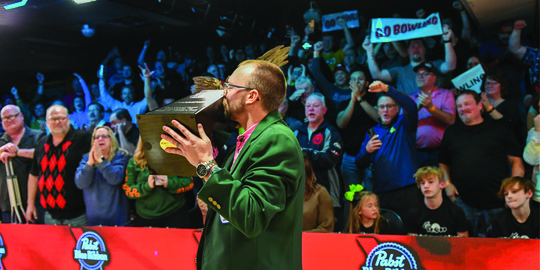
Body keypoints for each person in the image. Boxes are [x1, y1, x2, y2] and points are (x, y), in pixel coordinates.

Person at [162, 57, 304, 269]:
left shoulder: (277, 139)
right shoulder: (245, 138)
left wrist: (206, 164)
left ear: (252, 96)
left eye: (229, 86)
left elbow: (251, 215)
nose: (223, 92)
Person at [439, 90, 525, 236]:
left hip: (497, 203)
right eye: (459, 106)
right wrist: (447, 184)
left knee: (497, 249)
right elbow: (443, 163)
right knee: (466, 250)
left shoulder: (499, 129)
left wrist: (512, 192)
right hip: (463, 202)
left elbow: (516, 162)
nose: (463, 108)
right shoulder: (451, 132)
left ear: (480, 106)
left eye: (467, 104)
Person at [355, 81, 421, 220]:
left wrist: (387, 89)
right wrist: (367, 151)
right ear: (377, 109)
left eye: (389, 106)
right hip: (382, 191)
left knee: (410, 232)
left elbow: (410, 105)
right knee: (387, 233)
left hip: (406, 188)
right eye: (382, 107)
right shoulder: (372, 132)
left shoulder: (404, 124)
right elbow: (359, 163)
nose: (385, 110)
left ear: (397, 109)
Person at [25, 105, 91, 225]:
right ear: (47, 122)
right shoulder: (41, 143)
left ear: (68, 119)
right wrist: (30, 204)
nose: (58, 122)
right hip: (49, 216)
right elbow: (34, 175)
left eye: (61, 118)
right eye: (53, 119)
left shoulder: (84, 138)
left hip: (79, 215)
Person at [294, 93, 343, 230]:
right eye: (308, 106)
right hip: (303, 195)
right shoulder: (297, 132)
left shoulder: (332, 132)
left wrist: (304, 153)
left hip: (328, 189)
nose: (311, 109)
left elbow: (329, 160)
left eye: (315, 106)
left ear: (324, 110)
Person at [123, 139, 194, 228]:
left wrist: (169, 183)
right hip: (145, 217)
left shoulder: (177, 157)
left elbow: (189, 183)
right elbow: (128, 190)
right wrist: (147, 186)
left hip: (175, 213)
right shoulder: (134, 162)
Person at [363, 29, 457, 95]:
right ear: (407, 51)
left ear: (425, 49)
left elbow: (450, 66)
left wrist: (447, 40)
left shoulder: (435, 64)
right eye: (413, 46)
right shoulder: (399, 71)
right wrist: (369, 50)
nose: (416, 48)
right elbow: (377, 74)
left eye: (419, 46)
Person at [74, 126, 131, 226]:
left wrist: (101, 161)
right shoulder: (86, 158)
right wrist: (90, 164)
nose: (100, 139)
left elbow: (115, 179)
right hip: (94, 221)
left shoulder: (120, 156)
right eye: (97, 137)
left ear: (111, 139)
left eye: (104, 136)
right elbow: (80, 183)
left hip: (118, 221)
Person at [0, 105, 44, 223]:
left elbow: (44, 154)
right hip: (8, 204)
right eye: (5, 118)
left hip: (36, 201)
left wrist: (17, 152)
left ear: (21, 116)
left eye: (12, 116)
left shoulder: (38, 136)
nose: (8, 120)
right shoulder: (1, 141)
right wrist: (2, 150)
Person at [336, 69, 378, 190]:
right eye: (353, 80)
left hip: (371, 156)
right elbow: (341, 123)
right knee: (352, 197)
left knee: (372, 195)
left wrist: (360, 99)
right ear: (350, 84)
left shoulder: (374, 100)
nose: (356, 82)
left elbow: (377, 118)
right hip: (350, 156)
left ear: (366, 83)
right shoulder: (344, 104)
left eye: (360, 79)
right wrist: (353, 100)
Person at [409, 62, 456, 167]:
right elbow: (402, 123)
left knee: (440, 182)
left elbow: (451, 120)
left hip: (440, 151)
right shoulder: (410, 98)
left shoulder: (445, 94)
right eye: (418, 74)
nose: (420, 76)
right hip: (416, 152)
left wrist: (431, 108)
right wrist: (415, 108)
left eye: (424, 74)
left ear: (434, 78)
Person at [407, 166, 469, 237]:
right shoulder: (414, 213)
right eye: (422, 183)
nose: (426, 186)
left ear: (442, 185)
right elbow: (411, 244)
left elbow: (464, 243)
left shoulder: (456, 212)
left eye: (431, 182)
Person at [302, 155, 334, 233]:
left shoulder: (320, 193)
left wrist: (301, 237)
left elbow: (326, 228)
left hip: (310, 242)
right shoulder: (281, 192)